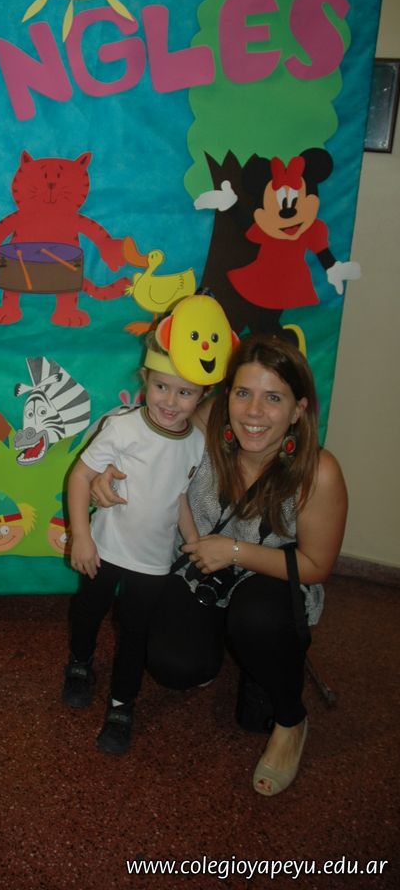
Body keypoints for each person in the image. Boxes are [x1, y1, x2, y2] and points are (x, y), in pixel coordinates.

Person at [89, 333, 347, 794]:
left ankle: (290, 719)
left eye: (273, 398)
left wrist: (233, 551)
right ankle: (228, 648)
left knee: (257, 621)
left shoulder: (318, 472)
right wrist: (104, 473)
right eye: (243, 393)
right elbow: (141, 437)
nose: (253, 412)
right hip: (201, 570)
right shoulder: (205, 424)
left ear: (298, 409)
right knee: (172, 666)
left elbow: (315, 566)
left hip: (270, 580)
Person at [63, 300, 233, 755]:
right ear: (145, 380)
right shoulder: (122, 428)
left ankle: (122, 705)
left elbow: (178, 496)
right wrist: (81, 535)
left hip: (153, 563)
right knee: (88, 612)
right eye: (161, 387)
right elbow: (80, 477)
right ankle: (79, 663)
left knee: (136, 634)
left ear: (203, 395)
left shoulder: (195, 443)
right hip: (103, 549)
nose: (170, 402)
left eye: (185, 393)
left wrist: (193, 541)